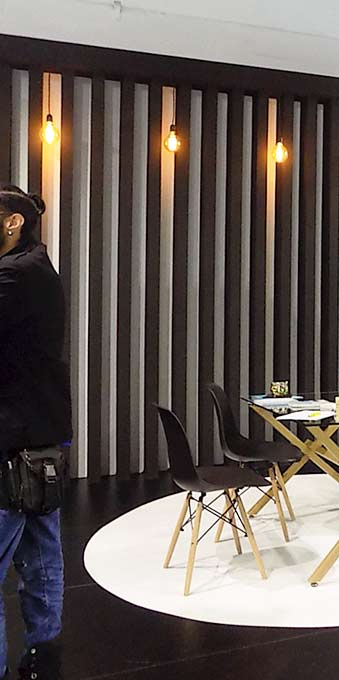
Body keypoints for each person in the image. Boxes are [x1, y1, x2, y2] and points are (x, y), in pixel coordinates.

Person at [0, 185, 71, 679]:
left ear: (13, 222)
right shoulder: (38, 267)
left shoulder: (13, 275)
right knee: (41, 554)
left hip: (11, 438)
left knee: (35, 553)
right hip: (42, 435)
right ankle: (44, 657)